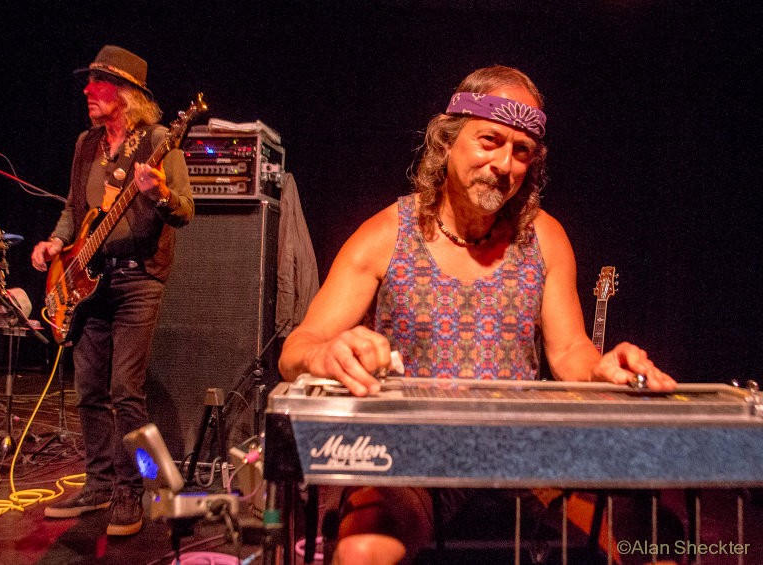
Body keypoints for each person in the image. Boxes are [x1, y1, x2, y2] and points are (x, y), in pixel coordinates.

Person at [279, 65, 678, 564]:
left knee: (608, 552)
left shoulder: (545, 237)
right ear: (446, 142)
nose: (504, 164)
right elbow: (296, 349)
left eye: (521, 151)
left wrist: (602, 369)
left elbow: (570, 351)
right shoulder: (385, 235)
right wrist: (325, 354)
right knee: (363, 551)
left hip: (521, 456)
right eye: (489, 141)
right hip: (412, 459)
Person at [31, 45, 194, 536]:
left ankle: (134, 488)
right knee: (88, 390)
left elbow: (185, 210)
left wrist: (157, 192)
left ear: (125, 94)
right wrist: (56, 242)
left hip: (138, 279)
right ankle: (99, 483)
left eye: (98, 83)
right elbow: (73, 208)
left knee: (126, 391)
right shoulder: (86, 144)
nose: (87, 91)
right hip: (87, 281)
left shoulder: (160, 141)